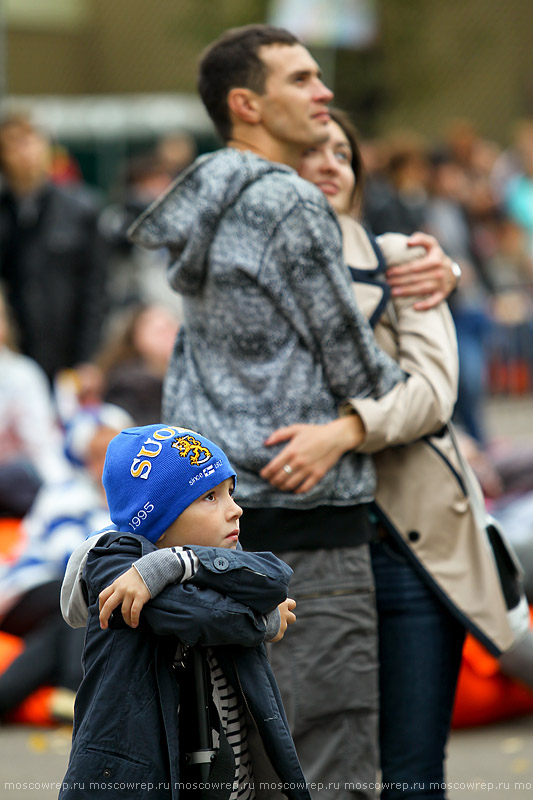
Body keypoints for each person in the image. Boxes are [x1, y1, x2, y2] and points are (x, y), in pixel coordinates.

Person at [127, 24, 458, 800]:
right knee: (327, 759)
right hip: (312, 526)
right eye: (302, 79)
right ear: (246, 104)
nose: (324, 92)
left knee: (238, 762)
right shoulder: (288, 203)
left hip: (215, 519)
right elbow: (363, 373)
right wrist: (424, 287)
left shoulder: (206, 192)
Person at [260, 109, 524, 799]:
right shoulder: (243, 280)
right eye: (307, 152)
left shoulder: (401, 258)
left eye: (341, 153)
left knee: (411, 774)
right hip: (305, 552)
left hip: (409, 549)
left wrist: (342, 431)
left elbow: (432, 394)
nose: (328, 164)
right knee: (313, 771)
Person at [59, 424, 307, 800]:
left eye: (230, 492)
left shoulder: (207, 558)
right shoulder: (113, 564)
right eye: (210, 496)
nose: (235, 509)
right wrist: (263, 619)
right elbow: (197, 615)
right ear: (156, 517)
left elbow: (274, 578)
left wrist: (178, 561)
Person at [0, 404, 133, 722]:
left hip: (70, 607)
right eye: (97, 453)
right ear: (83, 457)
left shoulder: (137, 500)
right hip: (28, 590)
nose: (106, 463)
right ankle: (76, 686)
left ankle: (4, 697)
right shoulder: (63, 494)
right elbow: (71, 558)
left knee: (63, 625)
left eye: (114, 452)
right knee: (85, 589)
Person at [0, 112, 108, 382]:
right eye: (13, 144)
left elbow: (96, 288)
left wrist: (89, 359)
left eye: (30, 141)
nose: (24, 152)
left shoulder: (81, 208)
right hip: (14, 355)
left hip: (67, 352)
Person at [0, 285, 72, 514]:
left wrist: (63, 493)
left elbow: (42, 446)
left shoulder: (21, 374)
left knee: (18, 476)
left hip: (12, 484)